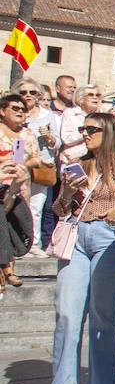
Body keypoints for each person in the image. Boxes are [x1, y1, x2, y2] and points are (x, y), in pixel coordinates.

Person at [36, 112, 115, 384]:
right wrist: (66, 191)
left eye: (91, 129)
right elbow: (58, 209)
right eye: (83, 128)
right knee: (66, 312)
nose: (85, 133)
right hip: (75, 236)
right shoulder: (77, 164)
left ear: (109, 133)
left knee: (103, 315)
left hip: (107, 238)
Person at [14, 77, 58, 252]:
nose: (28, 95)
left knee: (36, 207)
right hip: (20, 165)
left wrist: (49, 137)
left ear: (39, 95)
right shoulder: (15, 112)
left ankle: (34, 243)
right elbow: (15, 139)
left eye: (32, 92)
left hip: (42, 166)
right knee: (16, 205)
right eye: (23, 92)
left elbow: (57, 143)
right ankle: (17, 243)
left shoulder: (47, 115)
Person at [0, 94, 37, 283]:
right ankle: (7, 271)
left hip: (19, 184)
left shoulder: (25, 134)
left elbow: (34, 157)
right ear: (2, 110)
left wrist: (22, 163)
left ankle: (8, 268)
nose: (20, 112)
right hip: (1, 183)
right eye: (15, 108)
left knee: (14, 224)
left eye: (23, 109)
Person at [57, 85, 102, 166]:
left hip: (94, 160)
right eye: (91, 95)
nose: (95, 97)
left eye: (97, 95)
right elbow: (66, 139)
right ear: (81, 98)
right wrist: (87, 131)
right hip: (72, 160)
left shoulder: (102, 115)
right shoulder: (70, 113)